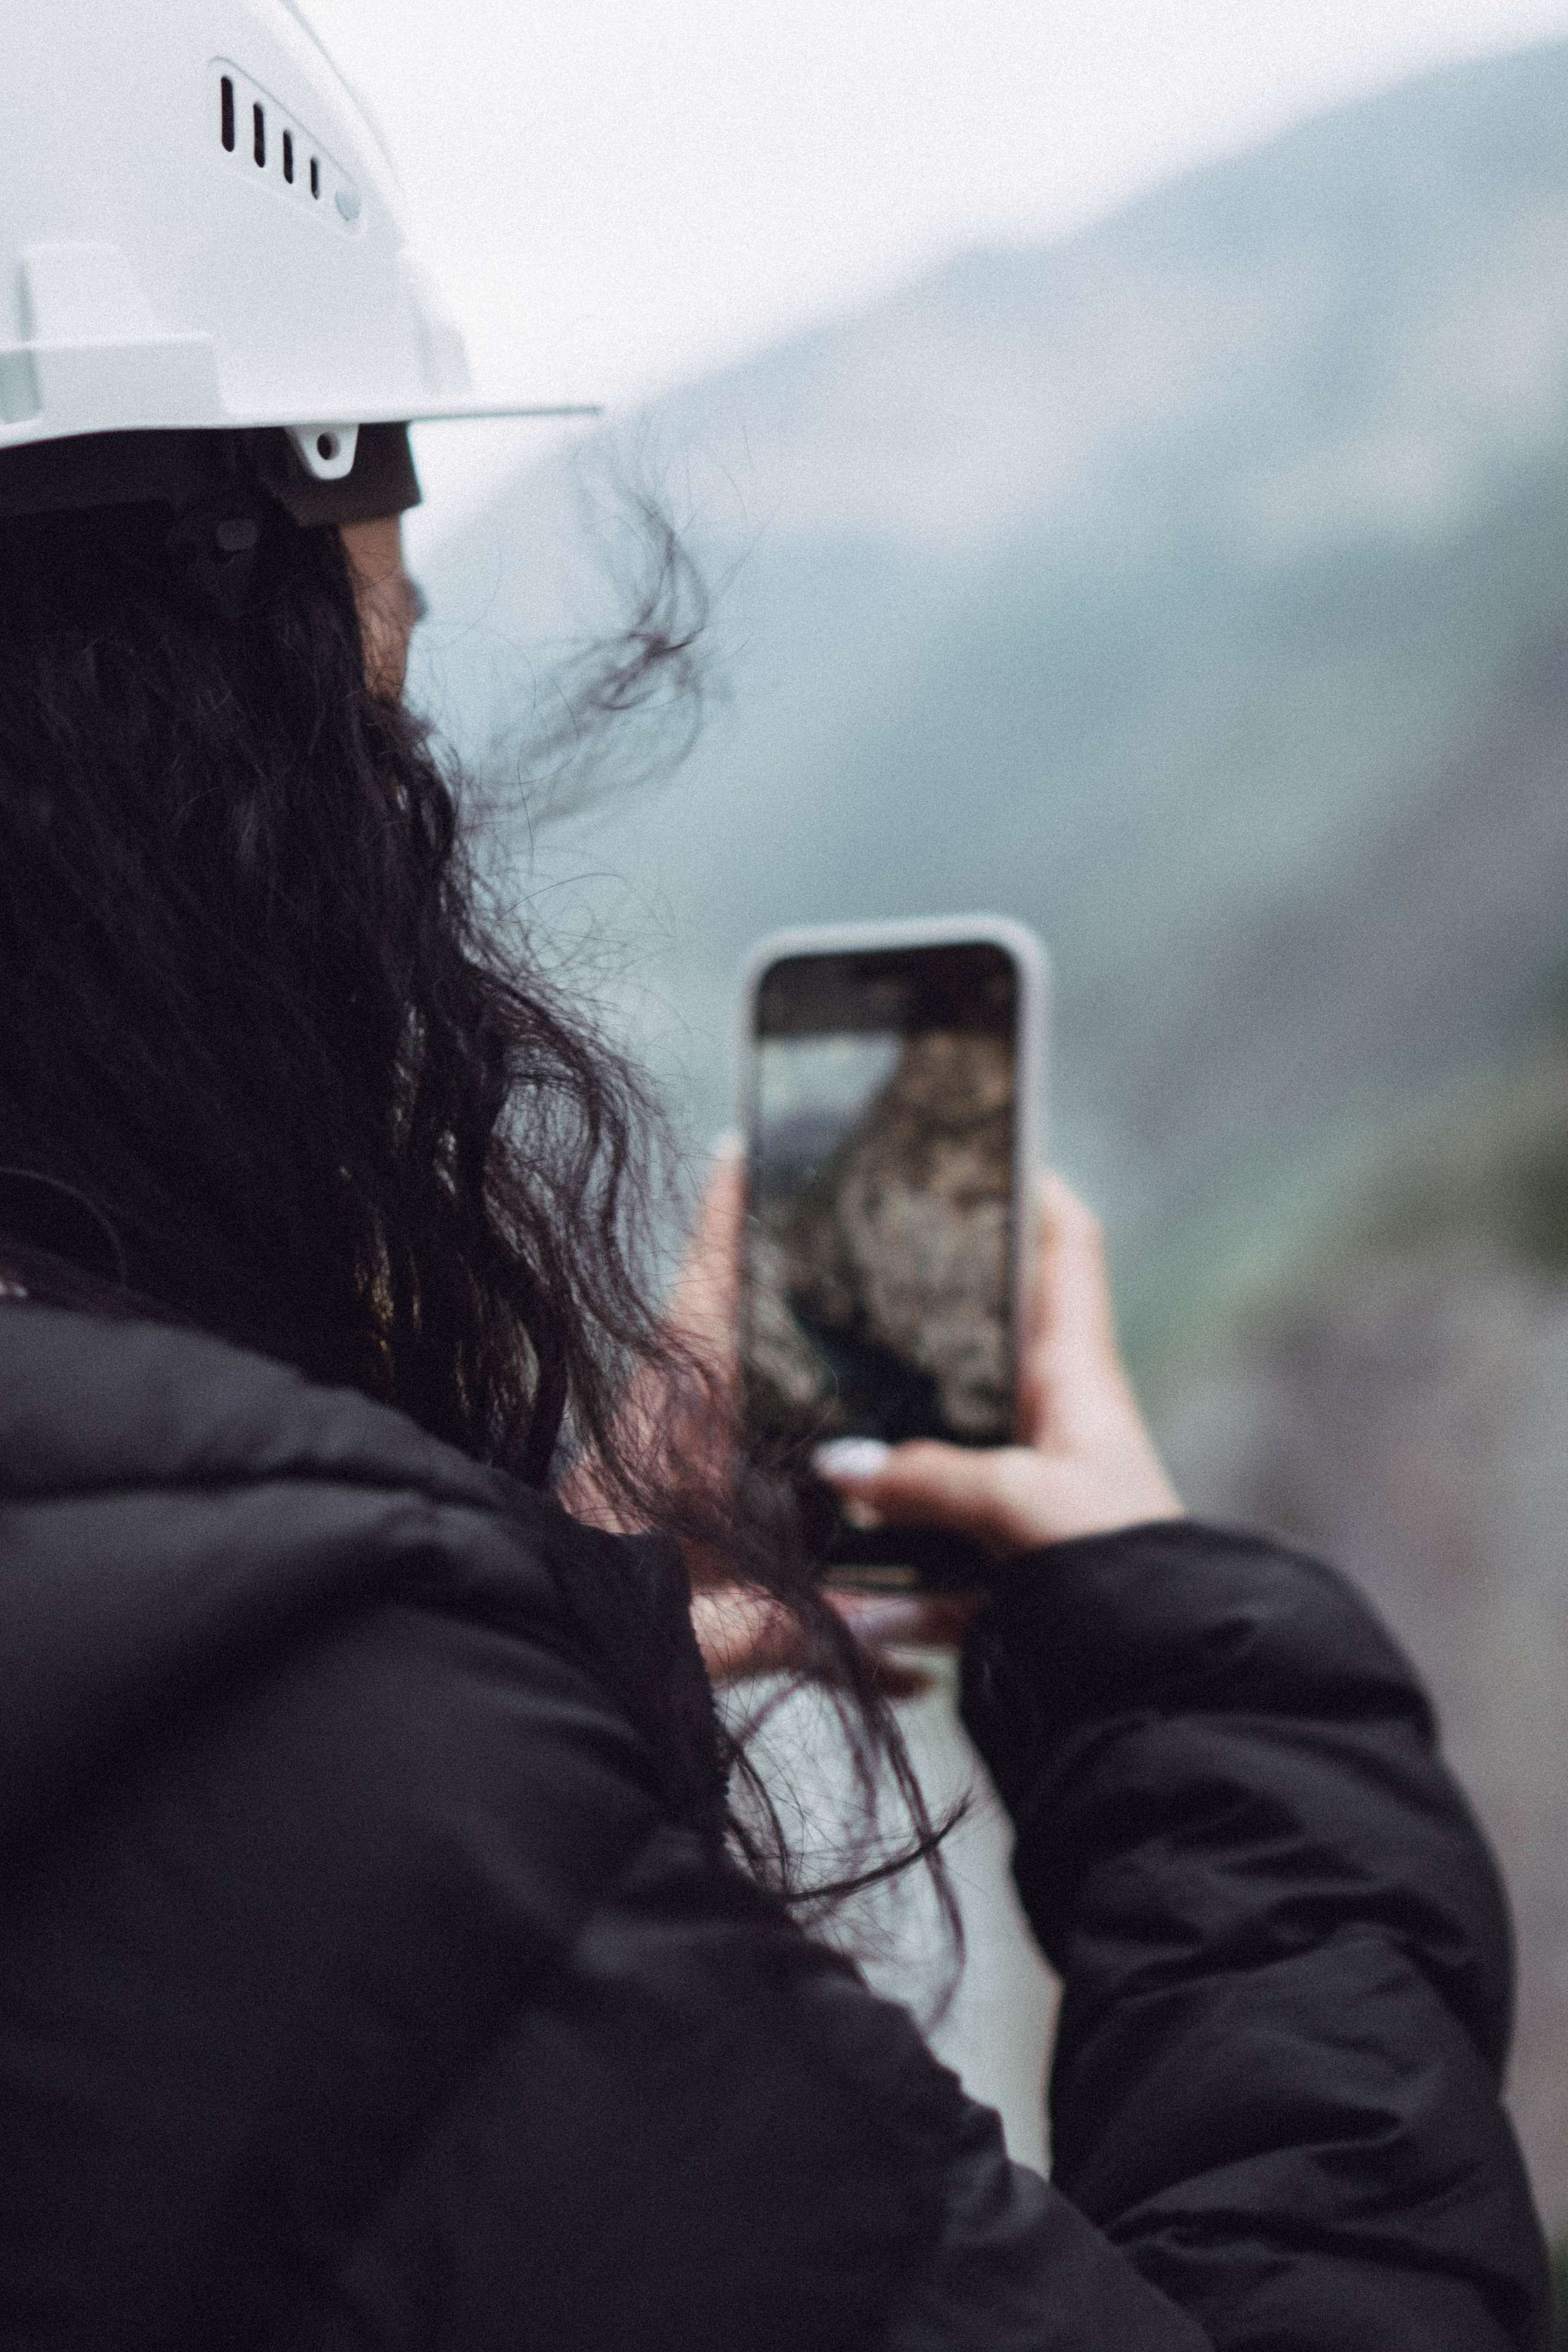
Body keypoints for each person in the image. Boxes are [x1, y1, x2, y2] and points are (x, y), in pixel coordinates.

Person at [0, 6, 1551, 2348]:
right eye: (377, 724)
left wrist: (562, 1622)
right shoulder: (307, 1779)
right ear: (188, 749)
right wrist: (1180, 1663)